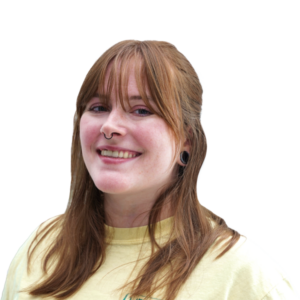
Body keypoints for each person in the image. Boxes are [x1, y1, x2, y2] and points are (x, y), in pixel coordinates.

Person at [2, 39, 299, 300]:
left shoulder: (242, 274)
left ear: (187, 140)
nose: (110, 126)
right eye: (98, 107)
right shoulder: (39, 249)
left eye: (141, 110)